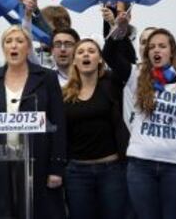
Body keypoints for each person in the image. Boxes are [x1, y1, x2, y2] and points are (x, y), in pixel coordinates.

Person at [0, 25, 66, 219]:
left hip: (37, 161)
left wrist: (56, 168)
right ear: (3, 48)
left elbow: (58, 124)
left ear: (28, 47)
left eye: (19, 41)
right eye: (8, 42)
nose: (13, 46)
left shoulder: (46, 78)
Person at [103, 28, 176, 219]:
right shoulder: (138, 74)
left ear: (172, 51)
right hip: (141, 167)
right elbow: (108, 54)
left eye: (162, 46)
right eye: (151, 47)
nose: (156, 50)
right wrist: (119, 28)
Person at [62, 39, 129, 219]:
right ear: (74, 60)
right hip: (77, 173)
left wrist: (117, 29)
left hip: (111, 170)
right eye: (81, 51)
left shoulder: (112, 83)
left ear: (100, 59)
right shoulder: (65, 94)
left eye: (91, 51)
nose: (86, 54)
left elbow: (122, 60)